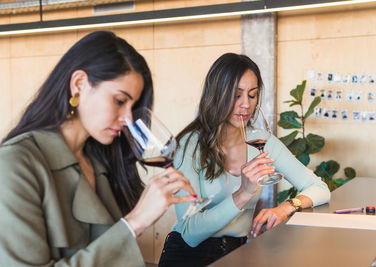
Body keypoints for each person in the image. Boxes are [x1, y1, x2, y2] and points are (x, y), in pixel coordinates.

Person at [0, 31, 196, 266]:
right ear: (79, 84)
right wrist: (135, 222)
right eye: (120, 101)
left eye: (132, 107)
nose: (127, 119)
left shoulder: (99, 162)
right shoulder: (15, 165)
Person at [159, 53, 331, 266]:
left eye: (252, 95)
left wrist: (287, 206)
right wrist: (243, 193)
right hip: (187, 257)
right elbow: (189, 232)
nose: (245, 105)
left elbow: (319, 187)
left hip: (236, 255)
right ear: (216, 94)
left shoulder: (261, 141)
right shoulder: (189, 145)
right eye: (236, 94)